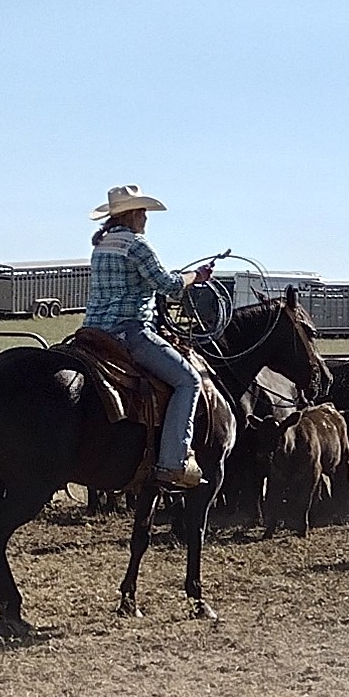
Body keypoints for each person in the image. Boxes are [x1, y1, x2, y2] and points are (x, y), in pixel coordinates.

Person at [83, 184, 213, 489]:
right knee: (189, 381)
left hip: (93, 331)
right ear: (132, 214)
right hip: (130, 332)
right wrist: (196, 276)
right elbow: (167, 285)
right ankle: (172, 462)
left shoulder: (101, 246)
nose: (145, 217)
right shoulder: (137, 245)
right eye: (142, 211)